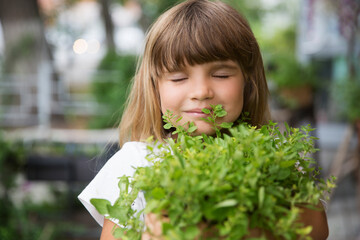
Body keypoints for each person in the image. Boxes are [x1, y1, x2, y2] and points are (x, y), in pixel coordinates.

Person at [78, 0, 329, 239]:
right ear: (155, 87)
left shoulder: (270, 154)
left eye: (220, 74)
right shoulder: (134, 163)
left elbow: (317, 230)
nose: (201, 92)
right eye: (178, 78)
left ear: (248, 81)